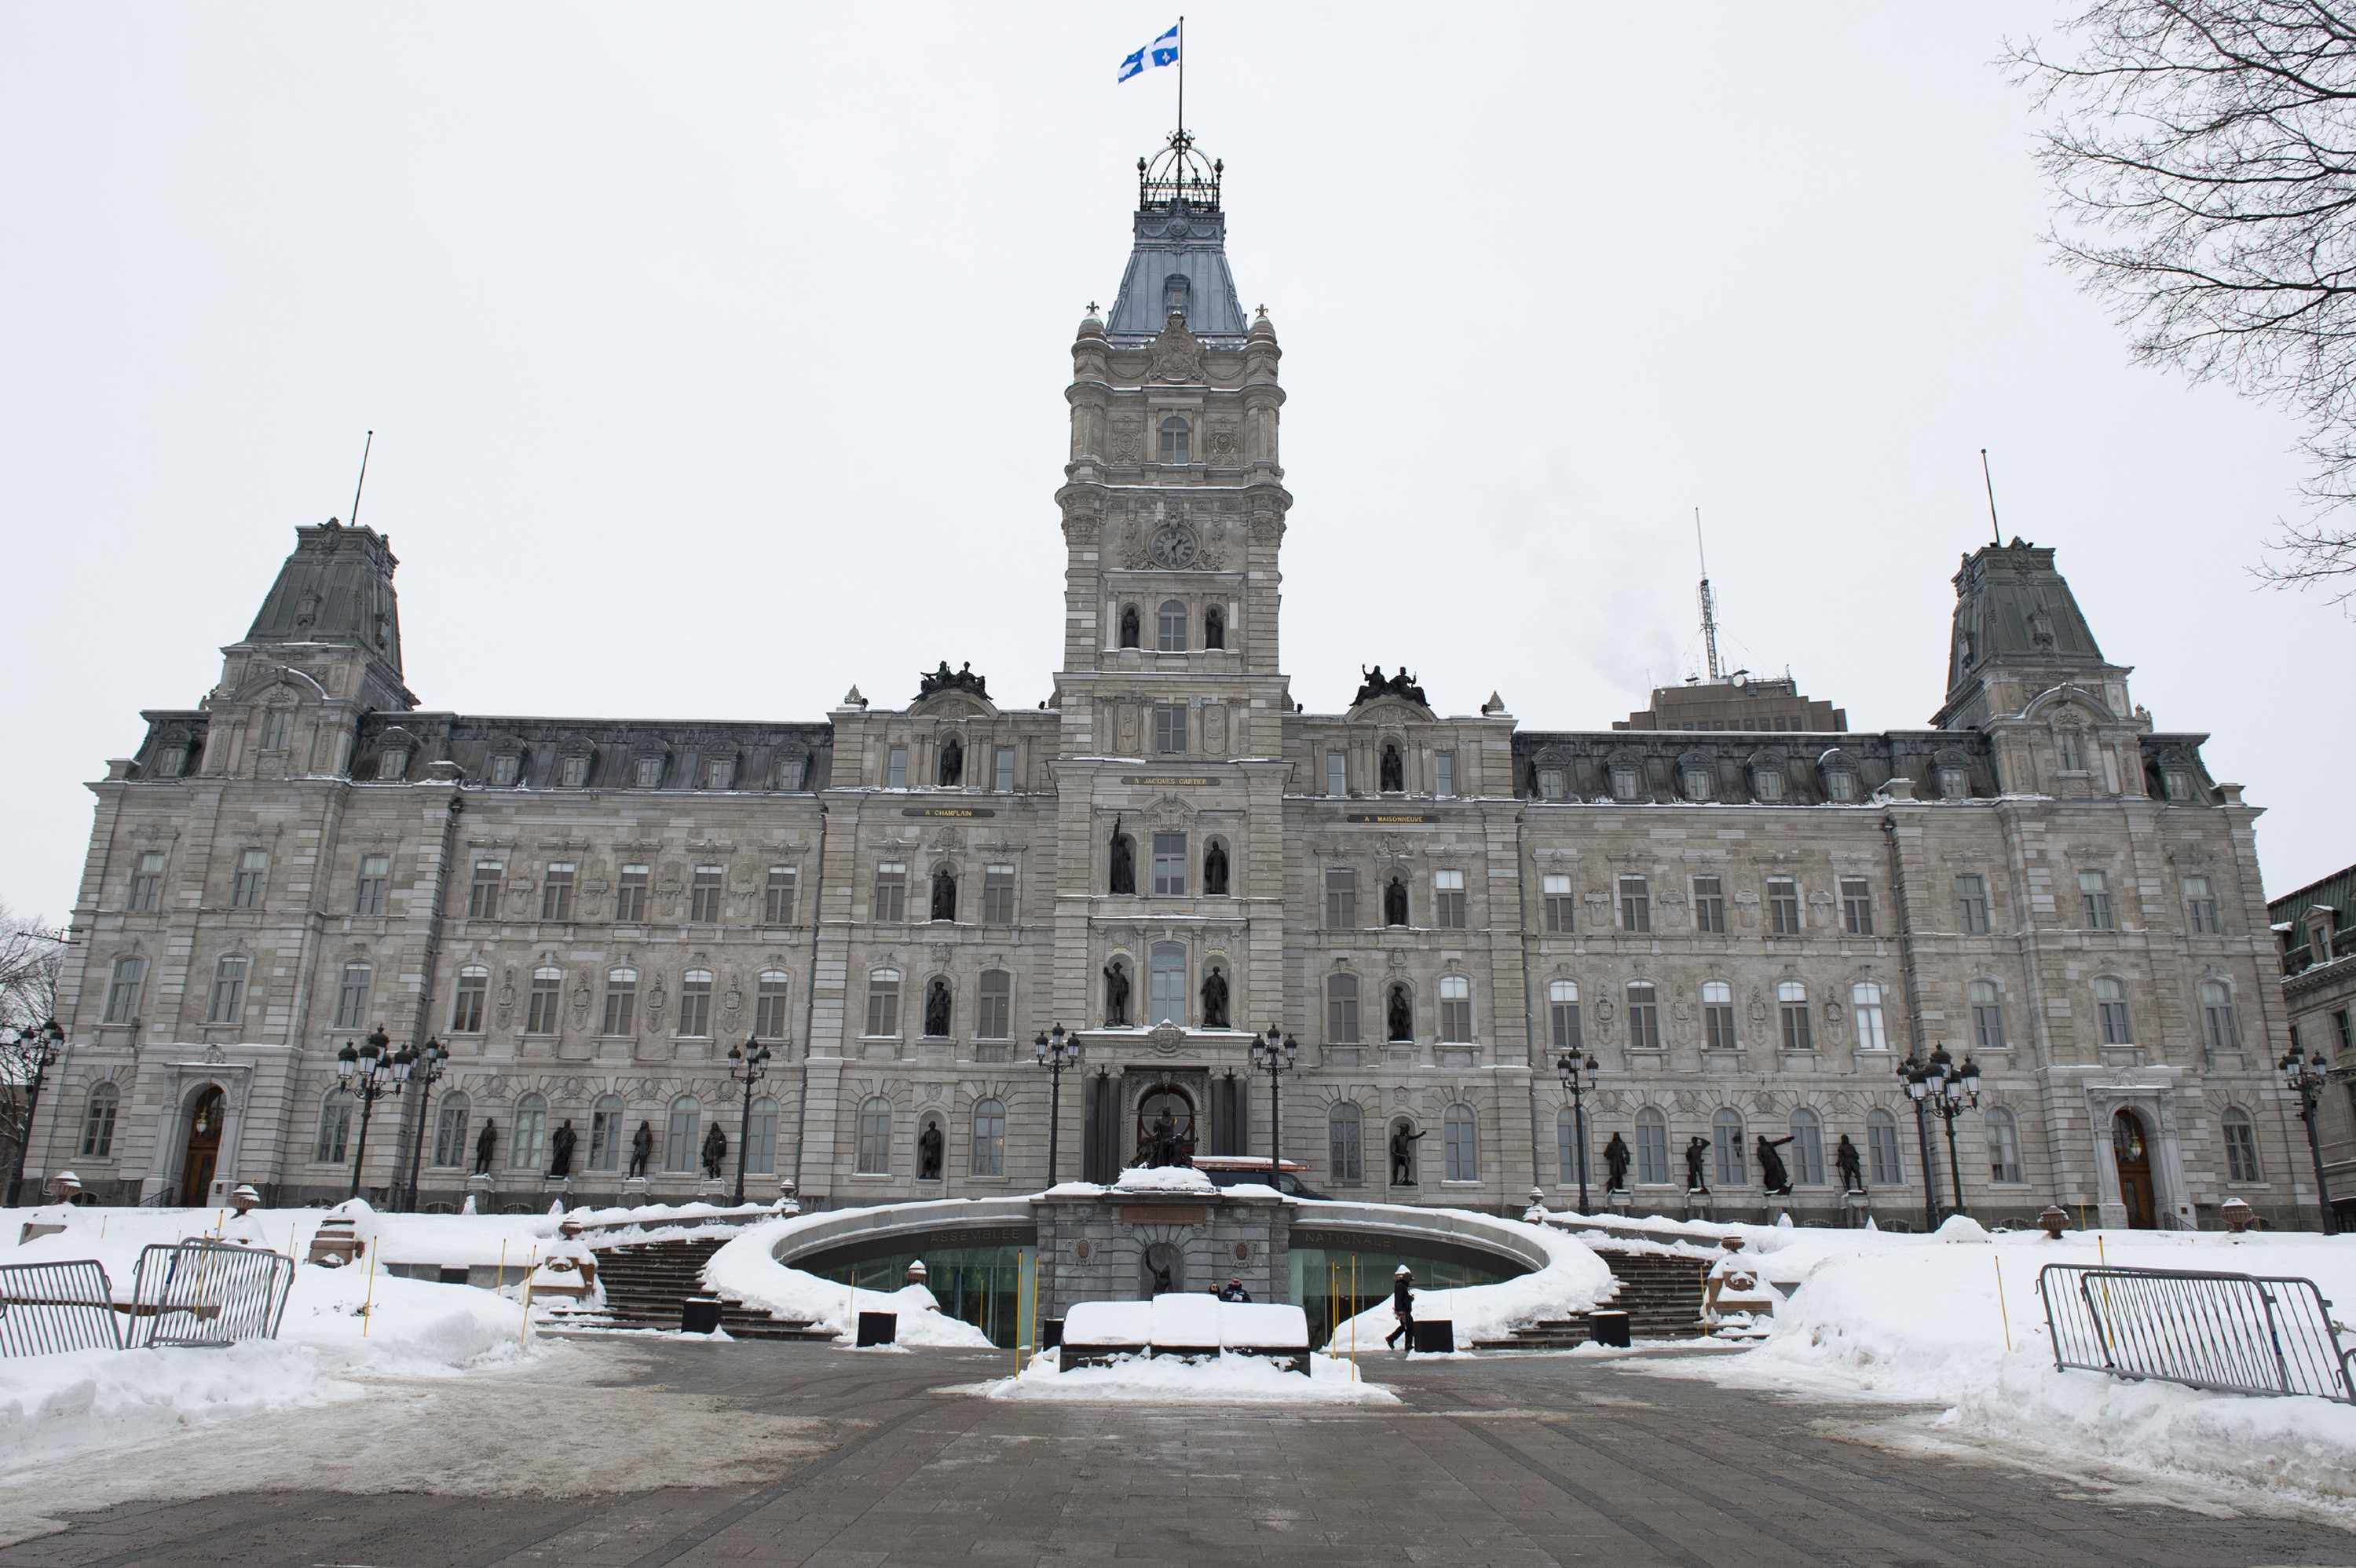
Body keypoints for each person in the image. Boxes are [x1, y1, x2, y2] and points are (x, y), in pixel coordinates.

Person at [1385, 1265, 1417, 1354]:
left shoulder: (1402, 1286)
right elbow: (1399, 1298)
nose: (1410, 1282)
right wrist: (1400, 1310)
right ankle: (1406, 1344)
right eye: (1409, 1280)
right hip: (1403, 1310)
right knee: (1409, 1326)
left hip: (1403, 1310)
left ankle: (1392, 1339)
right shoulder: (1400, 1286)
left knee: (1405, 1326)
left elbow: (1403, 1298)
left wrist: (1410, 1298)